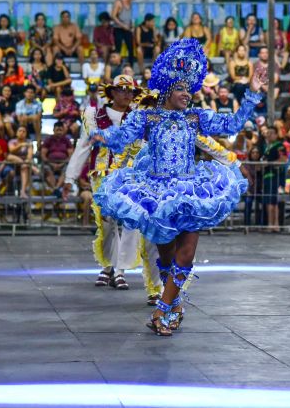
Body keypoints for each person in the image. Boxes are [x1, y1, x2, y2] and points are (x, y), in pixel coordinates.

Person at [90, 39, 266, 336]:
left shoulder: (196, 118)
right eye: (182, 90)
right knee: (168, 258)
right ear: (168, 90)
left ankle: (162, 309)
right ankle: (175, 306)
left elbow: (233, 125)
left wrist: (252, 93)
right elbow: (119, 139)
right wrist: (98, 136)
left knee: (186, 255)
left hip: (190, 191)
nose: (187, 95)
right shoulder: (147, 116)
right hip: (157, 194)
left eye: (189, 90)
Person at [63, 75, 142, 289]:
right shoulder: (93, 116)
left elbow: (144, 148)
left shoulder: (138, 117)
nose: (128, 95)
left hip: (130, 177)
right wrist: (70, 177)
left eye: (131, 91)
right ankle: (108, 265)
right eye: (123, 90)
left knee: (128, 223)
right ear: (112, 92)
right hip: (103, 177)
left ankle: (120, 270)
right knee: (107, 223)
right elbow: (83, 146)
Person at [111, 0, 138, 67]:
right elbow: (113, 16)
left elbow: (128, 16)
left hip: (127, 28)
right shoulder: (118, 2)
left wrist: (131, 25)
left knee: (130, 48)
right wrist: (122, 25)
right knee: (118, 48)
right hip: (118, 28)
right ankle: (117, 66)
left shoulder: (130, 3)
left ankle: (131, 67)